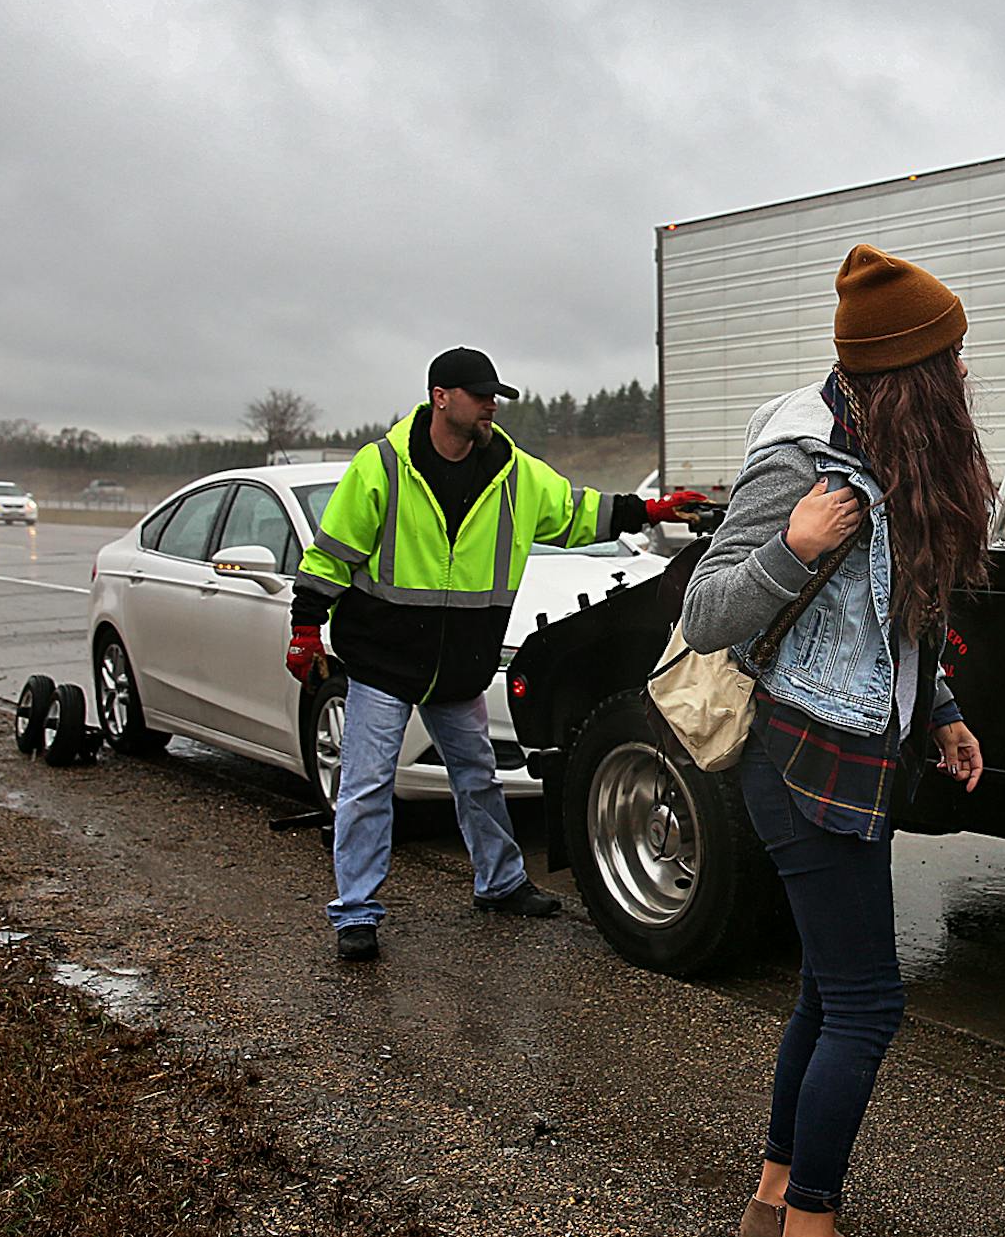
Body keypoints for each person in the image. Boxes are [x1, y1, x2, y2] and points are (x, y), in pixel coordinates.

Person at [680, 245, 994, 1237]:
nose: (962, 379)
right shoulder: (803, 459)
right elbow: (709, 609)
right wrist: (793, 547)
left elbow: (895, 611)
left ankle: (777, 1202)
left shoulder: (887, 444)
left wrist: (943, 707)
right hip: (805, 767)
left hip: (858, 753)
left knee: (829, 986)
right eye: (949, 362)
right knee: (867, 1003)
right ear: (910, 371)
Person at [288, 346, 706, 962]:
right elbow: (331, 556)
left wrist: (650, 510)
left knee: (478, 779)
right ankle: (356, 913)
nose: (491, 406)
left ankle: (501, 882)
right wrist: (306, 627)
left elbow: (577, 513)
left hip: (458, 665)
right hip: (382, 662)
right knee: (367, 786)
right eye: (481, 395)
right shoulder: (381, 468)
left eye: (495, 396)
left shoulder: (514, 473)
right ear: (441, 399)